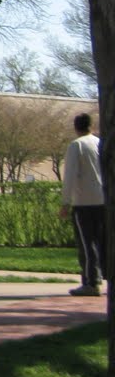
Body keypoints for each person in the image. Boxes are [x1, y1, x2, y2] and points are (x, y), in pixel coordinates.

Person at [60, 113, 105, 297]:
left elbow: (70, 175)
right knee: (100, 242)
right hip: (102, 200)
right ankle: (98, 276)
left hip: (84, 201)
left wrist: (65, 202)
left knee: (87, 244)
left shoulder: (77, 145)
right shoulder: (99, 143)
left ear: (75, 127)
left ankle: (90, 282)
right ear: (91, 125)